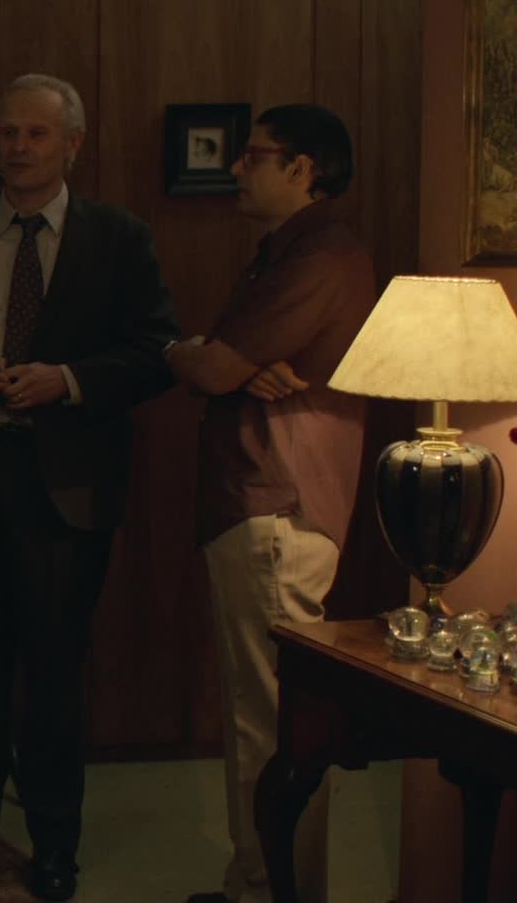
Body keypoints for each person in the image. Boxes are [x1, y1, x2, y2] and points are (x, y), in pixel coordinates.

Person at [0, 73, 179, 901]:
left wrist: (68, 381)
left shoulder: (117, 238)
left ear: (72, 145)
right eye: (9, 133)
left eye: (36, 134)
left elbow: (156, 350)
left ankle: (55, 850)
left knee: (53, 675)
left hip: (66, 485)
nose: (17, 148)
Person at [168, 105, 375, 903]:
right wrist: (216, 359)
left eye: (255, 156)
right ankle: (255, 881)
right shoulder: (283, 252)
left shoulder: (322, 255)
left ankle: (274, 891)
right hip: (261, 500)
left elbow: (216, 366)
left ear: (303, 169)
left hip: (277, 505)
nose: (238, 169)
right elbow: (227, 363)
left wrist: (192, 353)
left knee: (274, 722)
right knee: (261, 716)